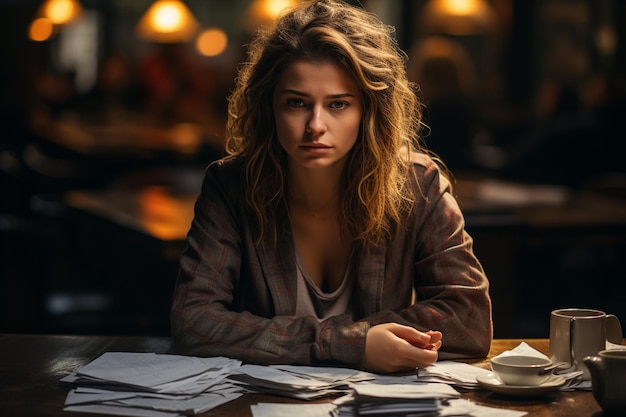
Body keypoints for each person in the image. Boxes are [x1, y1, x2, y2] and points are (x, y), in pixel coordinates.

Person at [170, 0, 492, 374]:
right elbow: (192, 323)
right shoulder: (230, 185)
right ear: (269, 106)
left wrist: (331, 341)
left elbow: (469, 319)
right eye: (296, 103)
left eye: (338, 104)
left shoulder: (419, 184)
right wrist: (354, 344)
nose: (315, 126)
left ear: (369, 110)